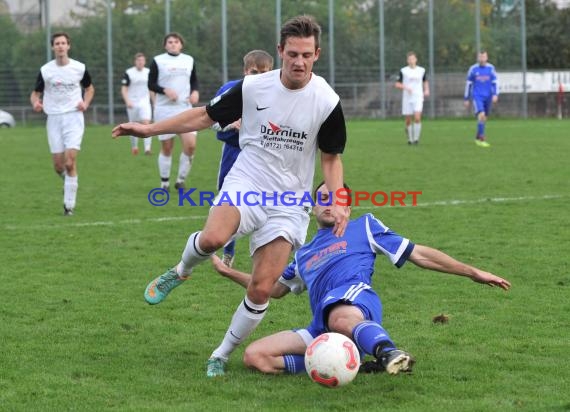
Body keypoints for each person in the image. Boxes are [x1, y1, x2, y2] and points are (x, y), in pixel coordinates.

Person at [112, 15, 349, 378]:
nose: (298, 62)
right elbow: (204, 117)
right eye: (292, 54)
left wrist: (339, 198)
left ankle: (220, 354)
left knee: (262, 287)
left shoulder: (327, 101)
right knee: (213, 238)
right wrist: (149, 129)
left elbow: (331, 158)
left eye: (306, 54)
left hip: (289, 202)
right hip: (248, 182)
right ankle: (181, 270)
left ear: (316, 54)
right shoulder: (253, 87)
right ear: (280, 52)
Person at [211, 181, 511, 376]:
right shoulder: (304, 254)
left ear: (348, 209)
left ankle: (387, 351)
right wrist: (228, 272)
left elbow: (419, 254)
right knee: (256, 357)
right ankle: (345, 362)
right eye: (323, 199)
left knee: (339, 316)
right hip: (322, 325)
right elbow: (271, 289)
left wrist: (472, 272)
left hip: (354, 300)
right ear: (313, 207)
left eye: (338, 200)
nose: (330, 204)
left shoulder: (364, 227)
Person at [211, 49, 275, 268]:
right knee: (226, 202)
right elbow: (211, 122)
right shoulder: (230, 90)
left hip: (262, 156)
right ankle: (228, 251)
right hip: (233, 152)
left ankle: (264, 252)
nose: (258, 76)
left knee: (266, 204)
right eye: (254, 72)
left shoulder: (277, 93)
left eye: (264, 72)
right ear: (245, 70)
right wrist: (232, 124)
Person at [30, 32, 95, 216]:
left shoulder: (79, 68)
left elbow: (89, 88)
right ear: (53, 47)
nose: (60, 46)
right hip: (54, 118)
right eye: (57, 43)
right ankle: (69, 182)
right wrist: (35, 102)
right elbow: (35, 93)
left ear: (68, 46)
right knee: (59, 166)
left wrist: (86, 102)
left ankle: (69, 206)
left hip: (74, 117)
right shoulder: (46, 70)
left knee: (69, 162)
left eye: (63, 43)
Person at [148, 32, 199, 191]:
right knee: (167, 147)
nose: (173, 44)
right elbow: (151, 84)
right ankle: (164, 182)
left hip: (184, 108)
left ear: (181, 44)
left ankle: (180, 180)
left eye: (176, 41)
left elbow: (194, 80)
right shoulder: (158, 60)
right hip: (164, 109)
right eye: (169, 42)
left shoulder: (189, 60)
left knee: (190, 146)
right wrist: (164, 90)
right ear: (165, 45)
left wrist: (195, 92)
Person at [464, 50, 499, 148]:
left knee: (484, 118)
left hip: (488, 96)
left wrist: (495, 94)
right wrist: (466, 98)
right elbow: (468, 84)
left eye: (484, 57)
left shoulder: (491, 68)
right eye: (480, 57)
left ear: (487, 58)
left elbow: (495, 82)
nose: (482, 59)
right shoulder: (473, 69)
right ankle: (482, 139)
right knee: (481, 115)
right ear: (477, 58)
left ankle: (477, 137)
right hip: (477, 96)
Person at [121, 52, 153, 156]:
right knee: (133, 126)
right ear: (135, 61)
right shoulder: (129, 72)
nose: (140, 62)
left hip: (145, 102)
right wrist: (127, 101)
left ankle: (147, 149)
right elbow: (124, 89)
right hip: (132, 102)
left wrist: (154, 101)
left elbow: (151, 89)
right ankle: (134, 147)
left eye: (142, 60)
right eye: (138, 60)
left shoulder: (149, 72)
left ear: (145, 61)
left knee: (146, 123)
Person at [395, 51, 429, 145]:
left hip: (418, 97)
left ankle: (416, 139)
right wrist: (406, 87)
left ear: (416, 59)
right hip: (407, 98)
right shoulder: (403, 71)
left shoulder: (421, 70)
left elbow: (425, 81)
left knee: (417, 117)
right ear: (407, 60)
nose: (411, 60)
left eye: (413, 59)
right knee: (408, 120)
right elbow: (397, 84)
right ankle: (410, 139)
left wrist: (426, 90)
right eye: (409, 59)